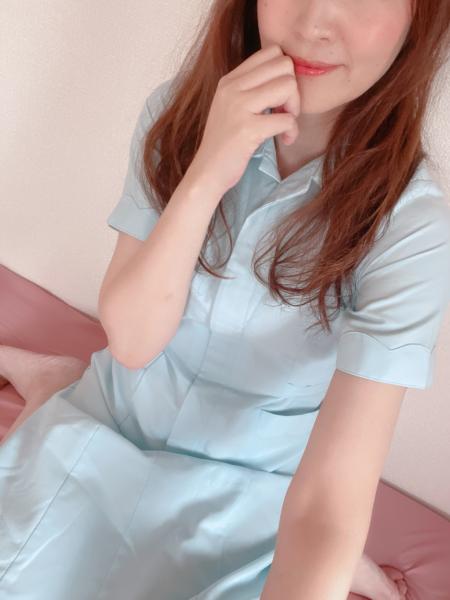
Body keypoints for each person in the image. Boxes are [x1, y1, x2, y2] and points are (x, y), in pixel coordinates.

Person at [1, 0, 450, 598]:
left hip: (248, 492)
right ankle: (60, 385)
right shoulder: (179, 113)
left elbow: (328, 503)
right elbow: (132, 343)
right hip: (110, 422)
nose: (314, 23)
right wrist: (211, 167)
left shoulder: (410, 226)